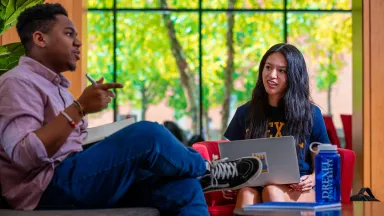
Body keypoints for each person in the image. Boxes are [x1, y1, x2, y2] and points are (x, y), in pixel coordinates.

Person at [0, 3, 263, 215]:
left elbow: (69, 143)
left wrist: (90, 121)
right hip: (46, 188)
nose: (78, 42)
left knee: (183, 188)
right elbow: (24, 156)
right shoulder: (16, 82)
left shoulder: (56, 87)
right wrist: (79, 108)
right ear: (39, 39)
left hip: (75, 176)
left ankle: (196, 173)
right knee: (146, 134)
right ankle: (207, 169)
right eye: (69, 34)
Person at [224, 43, 330, 208]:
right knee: (246, 193)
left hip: (298, 187)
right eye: (268, 67)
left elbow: (325, 158)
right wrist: (228, 182)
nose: (272, 75)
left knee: (272, 190)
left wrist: (314, 177)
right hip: (254, 185)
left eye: (282, 71)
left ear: (294, 76)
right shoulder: (245, 112)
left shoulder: (310, 113)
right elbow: (231, 160)